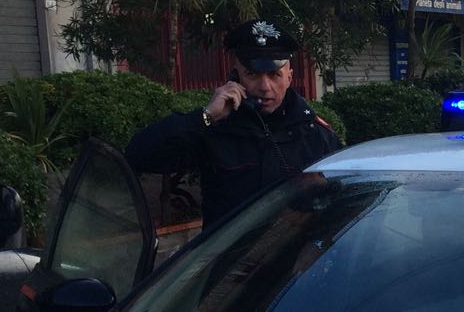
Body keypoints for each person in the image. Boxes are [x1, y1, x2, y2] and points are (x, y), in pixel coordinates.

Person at [125, 20, 340, 230]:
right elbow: (139, 156)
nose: (265, 86)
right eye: (252, 74)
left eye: (274, 75)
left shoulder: (315, 134)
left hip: (293, 263)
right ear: (235, 76)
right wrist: (205, 116)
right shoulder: (215, 129)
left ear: (289, 77)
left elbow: (343, 204)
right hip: (226, 262)